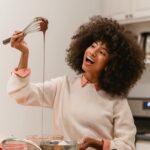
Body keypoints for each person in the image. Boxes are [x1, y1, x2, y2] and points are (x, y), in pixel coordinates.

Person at [7, 16, 145, 150]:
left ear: (111, 64)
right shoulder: (62, 86)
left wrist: (97, 143)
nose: (93, 52)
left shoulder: (117, 101)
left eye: (102, 52)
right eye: (92, 45)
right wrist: (24, 53)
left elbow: (127, 146)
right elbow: (21, 93)